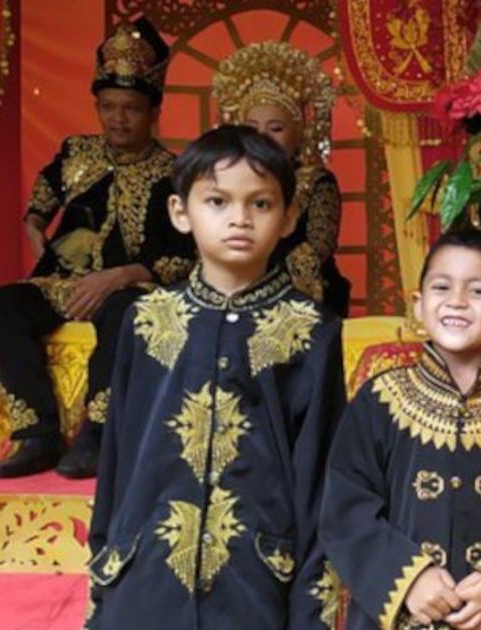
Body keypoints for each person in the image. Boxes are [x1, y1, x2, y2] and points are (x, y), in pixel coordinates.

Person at [85, 125, 345, 629]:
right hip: (145, 574)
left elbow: (319, 473)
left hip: (256, 578)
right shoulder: (146, 320)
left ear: (290, 217)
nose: (239, 218)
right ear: (180, 212)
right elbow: (118, 453)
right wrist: (106, 566)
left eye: (260, 204)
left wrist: (310, 606)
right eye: (217, 201)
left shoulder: (309, 329)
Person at [0, 17, 194, 479]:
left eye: (131, 109)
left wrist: (121, 275)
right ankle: (38, 433)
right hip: (63, 284)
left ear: (153, 112)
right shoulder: (76, 152)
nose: (118, 119)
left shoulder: (175, 175)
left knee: (124, 311)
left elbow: (184, 257)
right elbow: (43, 196)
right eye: (108, 107)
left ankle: (97, 434)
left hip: (128, 290)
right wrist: (35, 224)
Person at [320, 229, 481, 630]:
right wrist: (406, 576)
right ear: (418, 305)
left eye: (477, 291)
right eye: (441, 287)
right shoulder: (379, 400)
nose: (456, 301)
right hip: (399, 615)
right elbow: (345, 507)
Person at [212, 41, 350, 317]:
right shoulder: (227, 181)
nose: (262, 137)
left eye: (275, 128)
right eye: (252, 128)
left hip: (300, 293)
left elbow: (317, 248)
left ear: (299, 134)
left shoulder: (316, 182)